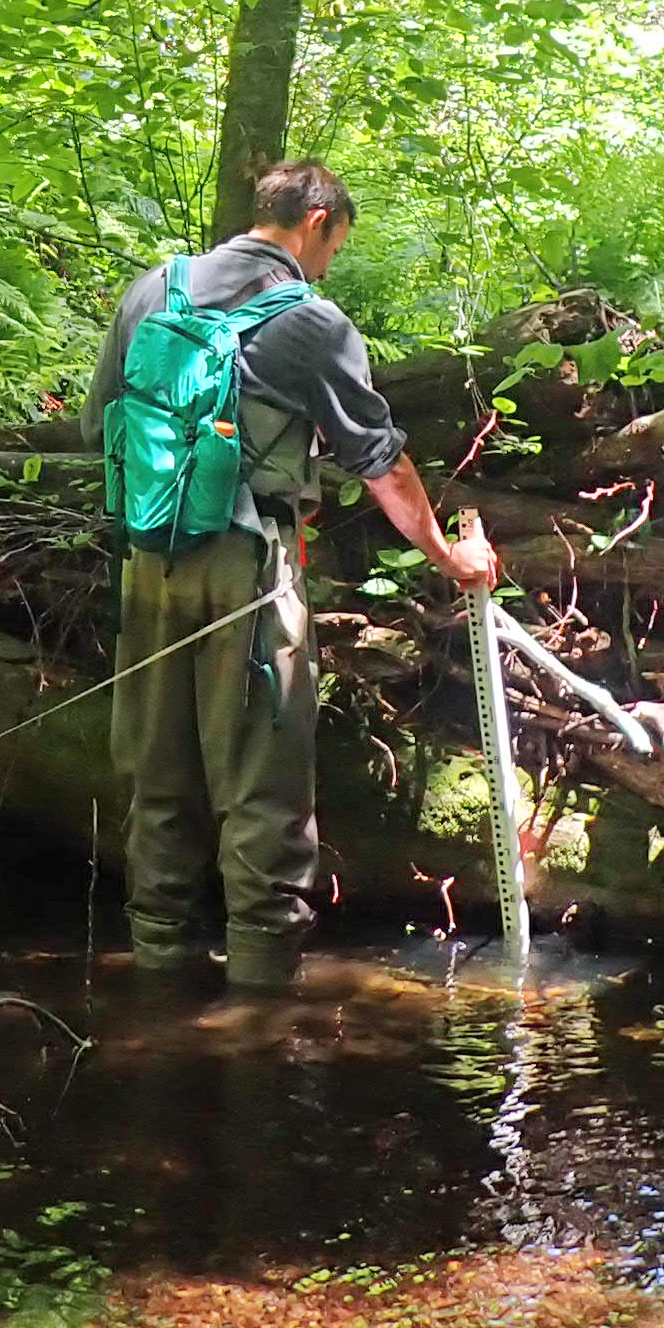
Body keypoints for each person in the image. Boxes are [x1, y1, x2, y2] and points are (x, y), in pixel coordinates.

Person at [85, 157, 501, 992]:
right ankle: (261, 1004)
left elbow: (99, 422)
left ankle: (159, 976)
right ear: (317, 222)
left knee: (160, 779)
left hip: (147, 564)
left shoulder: (150, 290)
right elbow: (383, 464)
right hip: (248, 572)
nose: (329, 264)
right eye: (334, 246)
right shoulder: (312, 321)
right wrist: (450, 556)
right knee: (263, 788)